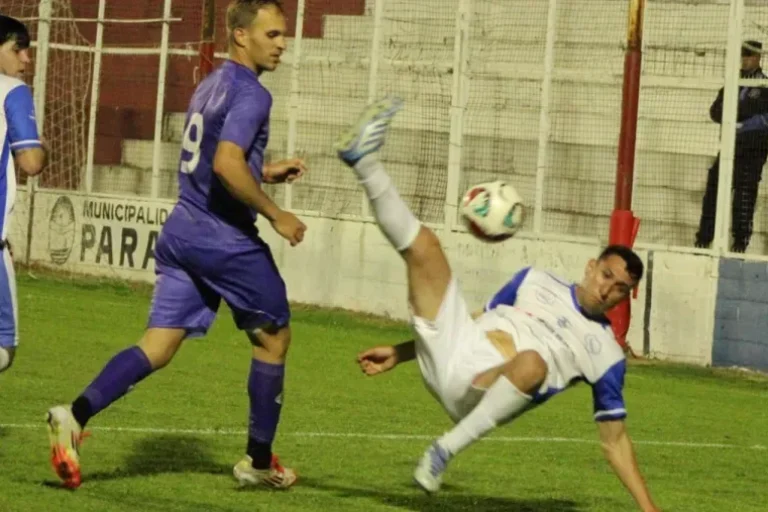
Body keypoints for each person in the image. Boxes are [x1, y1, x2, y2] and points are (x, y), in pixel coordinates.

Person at [337, 97, 660, 511]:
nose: (607, 288)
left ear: (624, 296)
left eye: (618, 288)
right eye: (606, 275)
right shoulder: (534, 280)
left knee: (534, 362)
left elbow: (614, 440)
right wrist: (401, 353)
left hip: (480, 391)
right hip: (457, 346)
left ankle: (442, 452)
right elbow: (478, 317)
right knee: (425, 248)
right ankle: (363, 161)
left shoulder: (607, 354)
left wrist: (649, 509)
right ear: (591, 265)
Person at [46, 0, 306, 490]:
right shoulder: (252, 94)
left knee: (158, 346)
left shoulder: (211, 83)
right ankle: (256, 460)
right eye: (271, 34)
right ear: (241, 36)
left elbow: (211, 159)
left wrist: (266, 171)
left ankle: (75, 414)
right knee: (274, 337)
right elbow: (227, 166)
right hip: (222, 239)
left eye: (282, 34)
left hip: (182, 232)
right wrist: (277, 214)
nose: (281, 43)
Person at [0, 15, 47, 374]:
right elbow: (31, 162)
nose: (26, 59)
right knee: (4, 344)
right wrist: (45, 150)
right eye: (18, 49)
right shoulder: (11, 90)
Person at [695, 40, 768, 253]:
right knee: (713, 191)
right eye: (743, 56)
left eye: (749, 56)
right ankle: (703, 239)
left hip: (754, 149)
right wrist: (740, 117)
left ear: (758, 58)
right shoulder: (731, 83)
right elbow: (716, 111)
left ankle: (739, 243)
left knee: (744, 195)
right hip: (730, 147)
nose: (745, 60)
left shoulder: (764, 86)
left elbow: (763, 117)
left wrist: (741, 120)